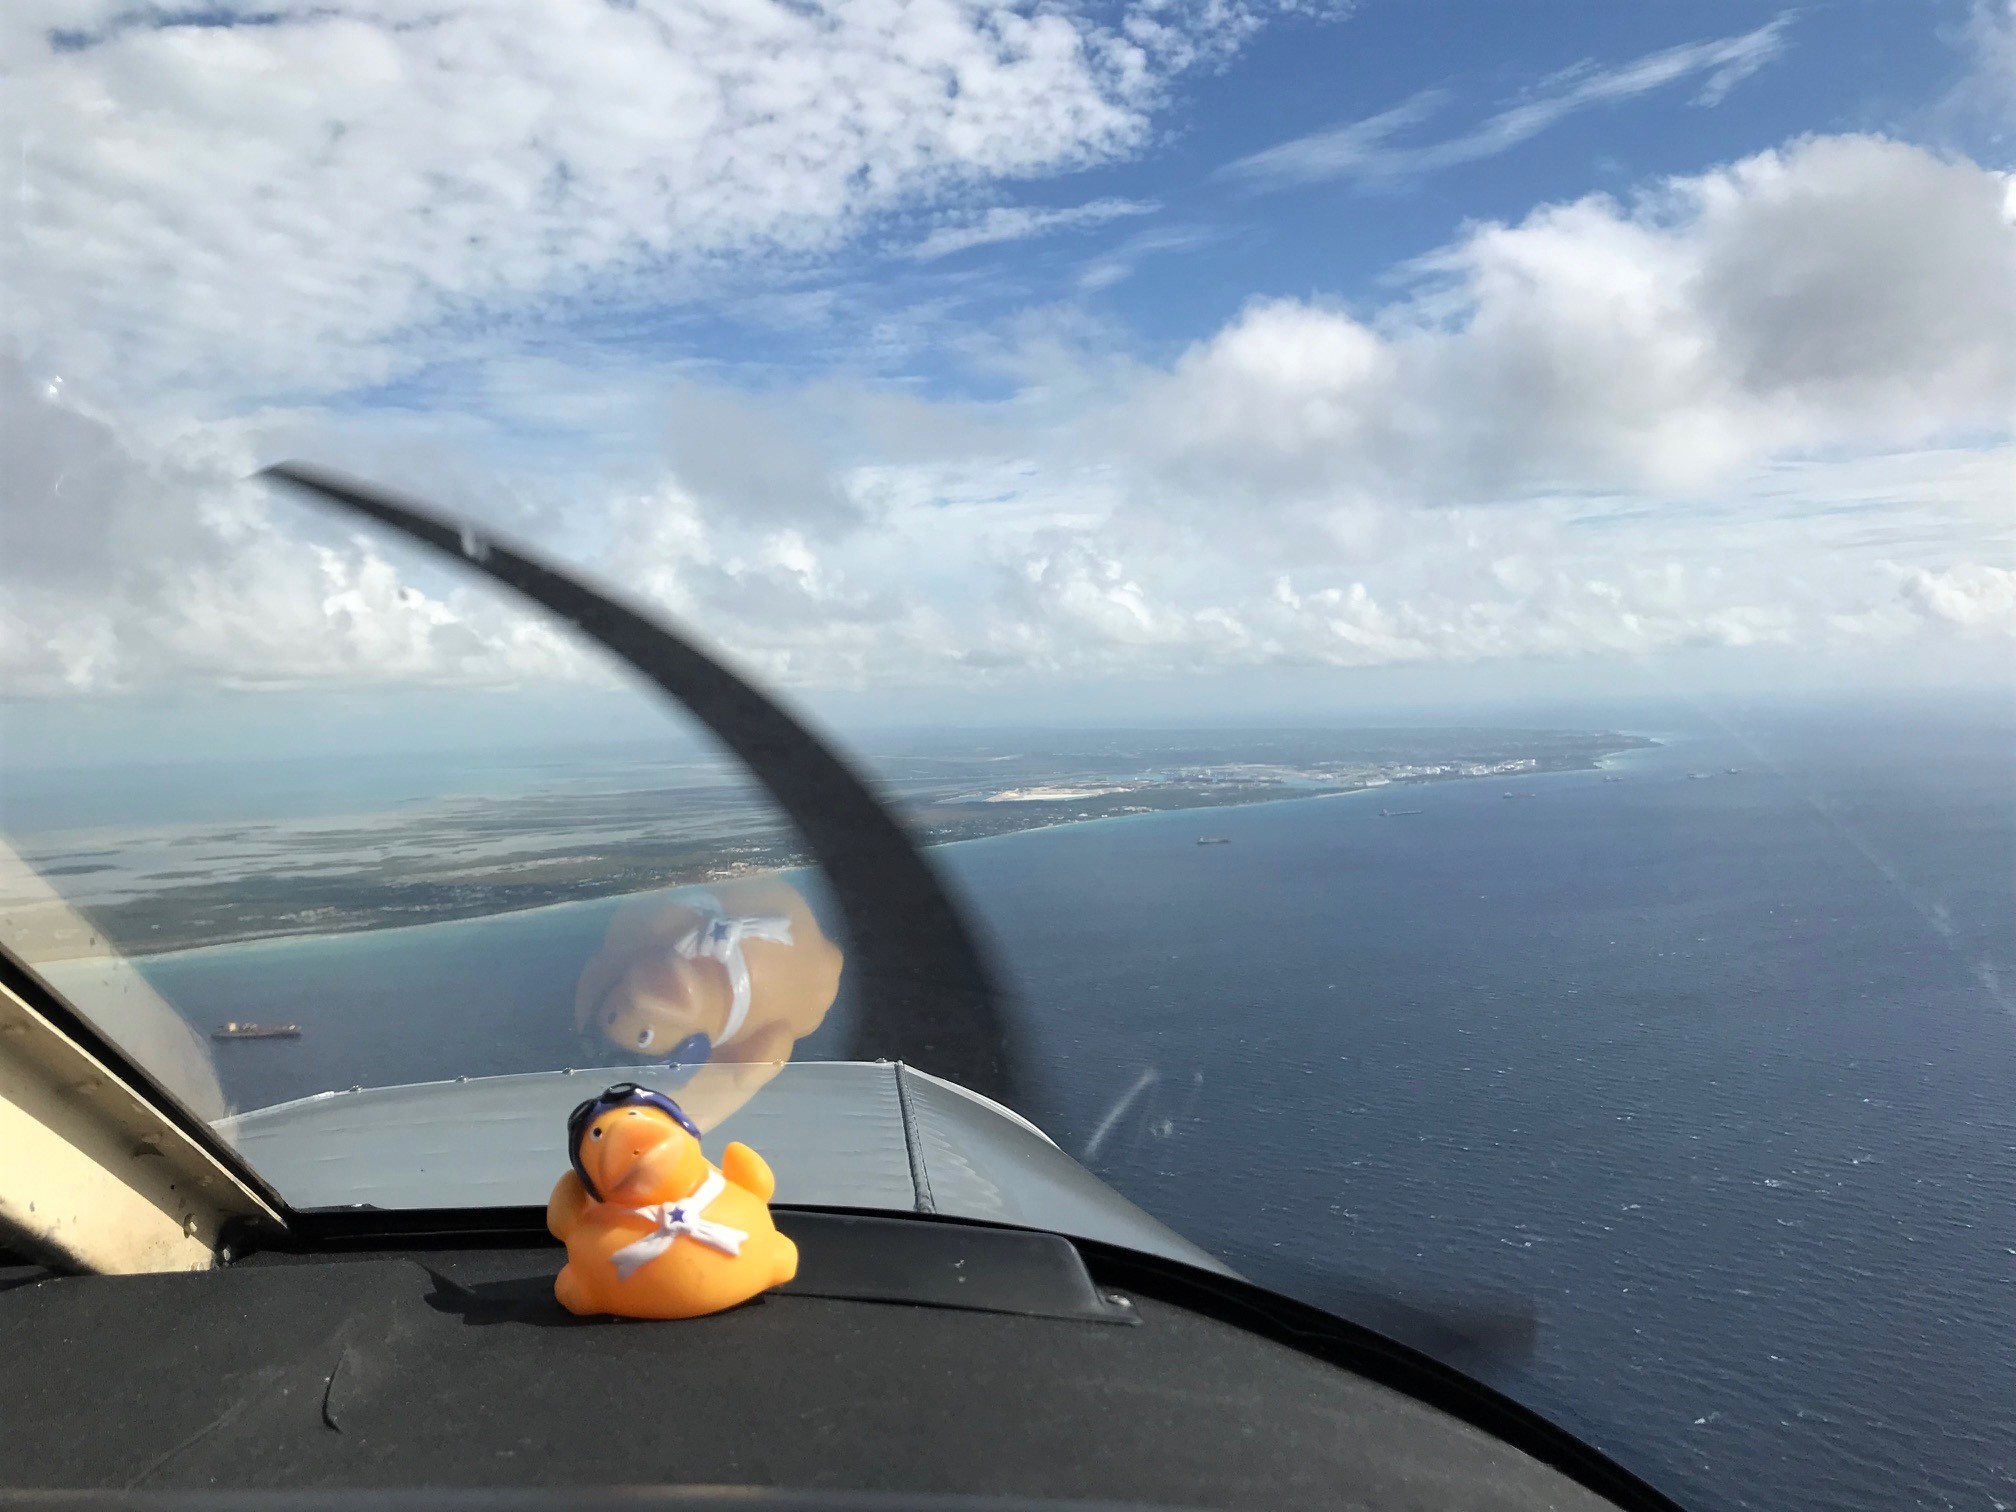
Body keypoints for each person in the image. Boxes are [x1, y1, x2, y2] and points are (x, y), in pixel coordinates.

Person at [572, 878, 843, 1129]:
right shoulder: (763, 1019)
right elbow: (769, 1053)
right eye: (645, 1035)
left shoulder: (650, 931)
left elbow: (658, 906)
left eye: (612, 1015)